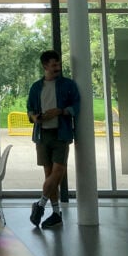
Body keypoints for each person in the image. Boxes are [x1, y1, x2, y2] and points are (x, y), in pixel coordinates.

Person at [26, 49, 80, 229]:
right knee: (50, 176)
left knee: (57, 173)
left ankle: (40, 205)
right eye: (54, 65)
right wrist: (35, 117)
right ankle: (56, 213)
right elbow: (30, 110)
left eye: (58, 64)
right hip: (42, 135)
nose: (58, 67)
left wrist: (60, 111)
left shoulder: (68, 85)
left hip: (61, 134)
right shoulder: (36, 87)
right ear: (45, 66)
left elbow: (76, 106)